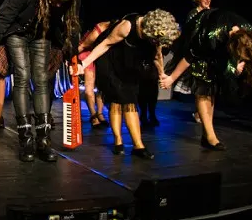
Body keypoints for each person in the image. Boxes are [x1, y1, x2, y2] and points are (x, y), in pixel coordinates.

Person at [0, 0, 86, 162]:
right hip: (18, 32)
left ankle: (43, 140)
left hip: (43, 33)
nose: (58, 4)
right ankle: (26, 140)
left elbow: (72, 26)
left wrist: (73, 57)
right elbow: (4, 16)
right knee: (22, 77)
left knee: (41, 81)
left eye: (62, 1)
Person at [77, 10, 181, 158]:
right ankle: (119, 142)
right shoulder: (127, 26)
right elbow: (105, 44)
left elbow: (157, 56)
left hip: (130, 64)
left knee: (130, 101)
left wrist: (162, 74)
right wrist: (84, 63)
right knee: (117, 101)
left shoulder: (155, 36)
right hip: (111, 63)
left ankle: (137, 146)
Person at [160, 8, 252, 150]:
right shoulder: (210, 37)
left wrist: (241, 62)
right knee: (203, 85)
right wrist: (172, 78)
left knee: (212, 87)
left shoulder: (249, 32)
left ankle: (207, 135)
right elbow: (190, 57)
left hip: (219, 44)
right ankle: (210, 136)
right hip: (199, 34)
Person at [75, 21, 110, 129]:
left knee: (101, 88)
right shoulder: (99, 28)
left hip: (102, 56)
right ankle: (93, 115)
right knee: (89, 88)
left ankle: (100, 113)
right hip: (87, 55)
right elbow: (83, 45)